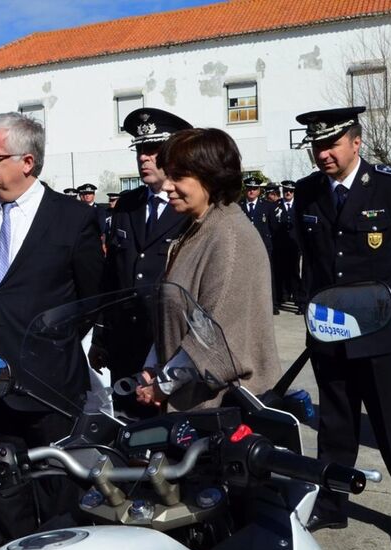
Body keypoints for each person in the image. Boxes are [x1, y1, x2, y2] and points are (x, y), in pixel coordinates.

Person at [0, 112, 103, 540]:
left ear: (27, 161)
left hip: (50, 380)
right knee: (3, 477)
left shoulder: (72, 218)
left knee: (57, 479)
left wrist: (53, 347)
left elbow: (90, 299)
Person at [292, 106, 391, 550]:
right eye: (316, 145)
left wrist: (383, 308)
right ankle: (332, 504)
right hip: (329, 329)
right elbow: (309, 263)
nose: (323, 153)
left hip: (382, 331)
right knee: (336, 422)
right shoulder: (307, 193)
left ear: (355, 142)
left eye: (331, 144)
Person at [136, 128, 280, 411]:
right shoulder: (195, 228)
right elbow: (175, 313)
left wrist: (162, 385)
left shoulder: (229, 238)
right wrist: (152, 366)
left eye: (178, 177)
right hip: (189, 403)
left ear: (210, 178)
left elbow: (215, 338)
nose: (167, 186)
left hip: (223, 411)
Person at [90, 107, 192, 417]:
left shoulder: (190, 208)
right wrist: (100, 335)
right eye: (140, 150)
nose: (144, 158)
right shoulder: (128, 204)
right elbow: (111, 276)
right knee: (127, 432)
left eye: (153, 150)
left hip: (168, 345)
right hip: (125, 342)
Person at [241, 177, 280, 313]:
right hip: (244, 247)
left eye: (254, 189)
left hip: (264, 246)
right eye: (249, 188)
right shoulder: (238, 206)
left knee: (268, 276)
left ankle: (272, 304)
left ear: (259, 190)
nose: (251, 191)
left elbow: (274, 228)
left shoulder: (267, 206)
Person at [274, 180, 302, 313]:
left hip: (295, 244)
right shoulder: (276, 205)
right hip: (280, 244)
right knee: (281, 271)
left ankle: (296, 296)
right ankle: (282, 296)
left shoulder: (299, 205)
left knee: (294, 271)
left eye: (291, 191)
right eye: (286, 191)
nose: (288, 193)